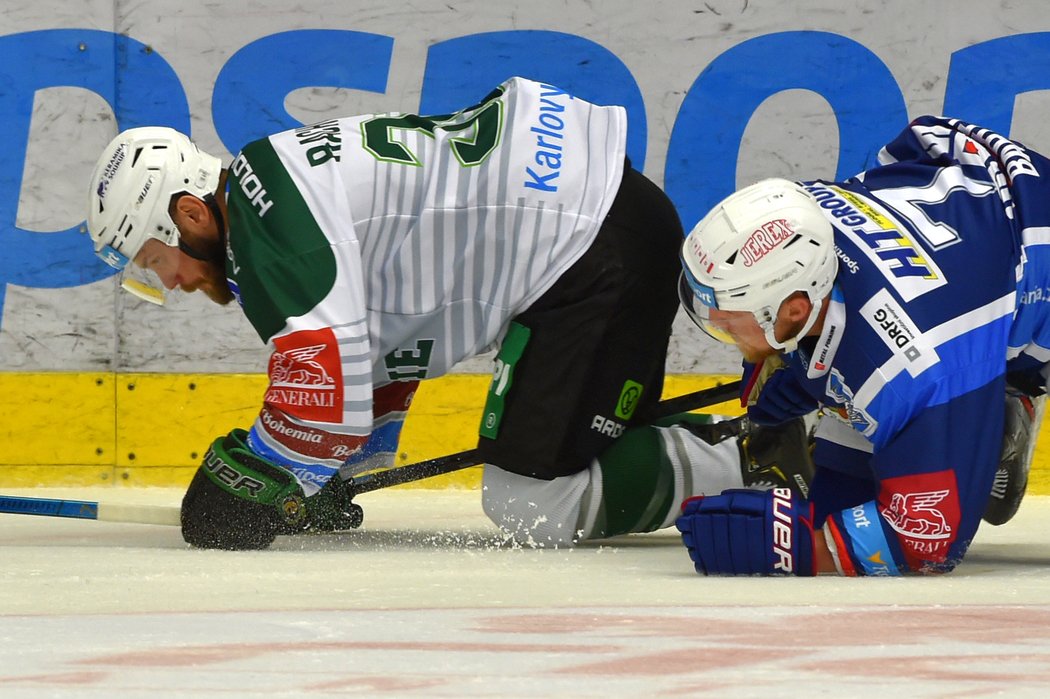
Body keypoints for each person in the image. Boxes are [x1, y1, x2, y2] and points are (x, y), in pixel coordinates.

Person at [85, 76, 811, 550]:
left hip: (588, 256)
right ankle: (752, 442)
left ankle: (764, 459)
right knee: (550, 454)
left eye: (155, 261)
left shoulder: (268, 241)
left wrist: (262, 473)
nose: (171, 282)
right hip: (594, 233)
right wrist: (326, 466)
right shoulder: (269, 182)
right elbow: (373, 358)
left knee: (533, 504)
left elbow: (327, 397)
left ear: (189, 214)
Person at [675, 115, 1049, 576]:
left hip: (979, 297)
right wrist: (799, 363)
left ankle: (1007, 395)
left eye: (730, 322)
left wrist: (795, 550)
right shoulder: (797, 213)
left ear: (793, 310)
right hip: (987, 219)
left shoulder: (915, 369)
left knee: (921, 410)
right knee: (841, 499)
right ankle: (990, 398)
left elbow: (927, 541)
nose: (720, 328)